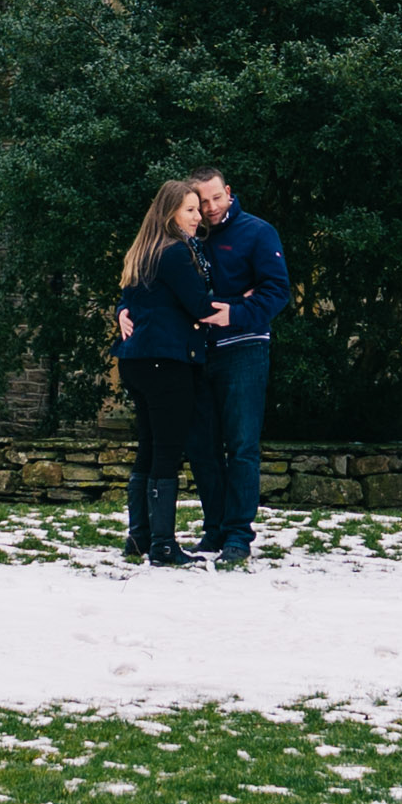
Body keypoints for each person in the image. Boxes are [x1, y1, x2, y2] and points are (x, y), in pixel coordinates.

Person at [112, 178, 229, 567]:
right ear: (170, 213)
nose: (199, 217)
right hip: (166, 361)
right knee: (166, 452)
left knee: (148, 447)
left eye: (199, 209)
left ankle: (140, 536)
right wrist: (241, 307)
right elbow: (198, 305)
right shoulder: (176, 253)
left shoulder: (142, 251)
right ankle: (162, 545)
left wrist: (120, 313)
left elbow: (128, 301)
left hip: (136, 361)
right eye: (190, 210)